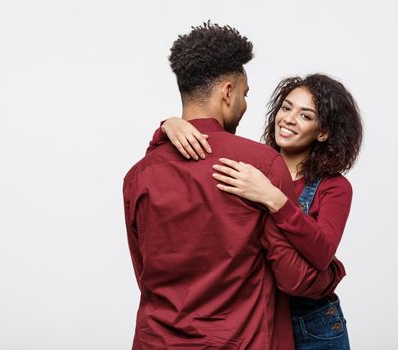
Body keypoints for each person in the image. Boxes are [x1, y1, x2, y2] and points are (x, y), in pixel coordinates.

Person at [123, 23, 346, 350]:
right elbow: (291, 276)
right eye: (244, 95)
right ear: (227, 92)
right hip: (242, 341)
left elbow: (143, 272)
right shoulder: (261, 165)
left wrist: (166, 127)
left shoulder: (138, 175)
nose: (244, 105)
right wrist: (333, 273)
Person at [154, 74, 363, 349]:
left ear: (323, 132)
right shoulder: (253, 164)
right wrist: (168, 126)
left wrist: (274, 199)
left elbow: (323, 252)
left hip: (313, 324)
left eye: (305, 116)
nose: (288, 119)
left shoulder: (334, 187)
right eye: (286, 108)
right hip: (258, 314)